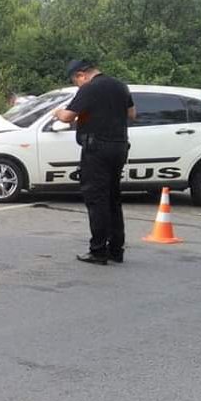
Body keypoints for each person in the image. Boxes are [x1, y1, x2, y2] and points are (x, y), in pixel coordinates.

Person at [53, 59, 136, 265]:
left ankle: (98, 251)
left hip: (97, 150)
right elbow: (132, 114)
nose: (77, 85)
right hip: (119, 147)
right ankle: (116, 249)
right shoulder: (120, 86)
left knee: (97, 200)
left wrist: (57, 112)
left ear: (81, 75)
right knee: (113, 199)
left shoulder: (89, 88)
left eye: (76, 81)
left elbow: (66, 117)